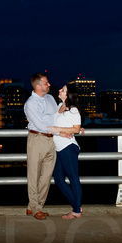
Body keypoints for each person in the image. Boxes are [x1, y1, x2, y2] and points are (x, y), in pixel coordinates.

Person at [23, 73, 58, 220]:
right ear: (38, 86)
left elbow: (57, 117)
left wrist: (71, 127)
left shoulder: (50, 98)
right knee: (34, 175)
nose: (49, 84)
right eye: (46, 83)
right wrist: (59, 130)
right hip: (37, 139)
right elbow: (40, 125)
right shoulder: (30, 103)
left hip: (52, 140)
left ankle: (34, 206)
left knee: (47, 176)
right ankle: (36, 208)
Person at [48, 83, 83, 219]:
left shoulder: (72, 110)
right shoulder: (59, 107)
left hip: (68, 147)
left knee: (74, 178)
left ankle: (76, 211)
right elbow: (54, 127)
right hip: (58, 148)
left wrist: (59, 130)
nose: (59, 90)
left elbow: (76, 129)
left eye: (63, 90)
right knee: (59, 180)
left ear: (68, 95)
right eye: (61, 88)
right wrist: (58, 131)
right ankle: (77, 206)